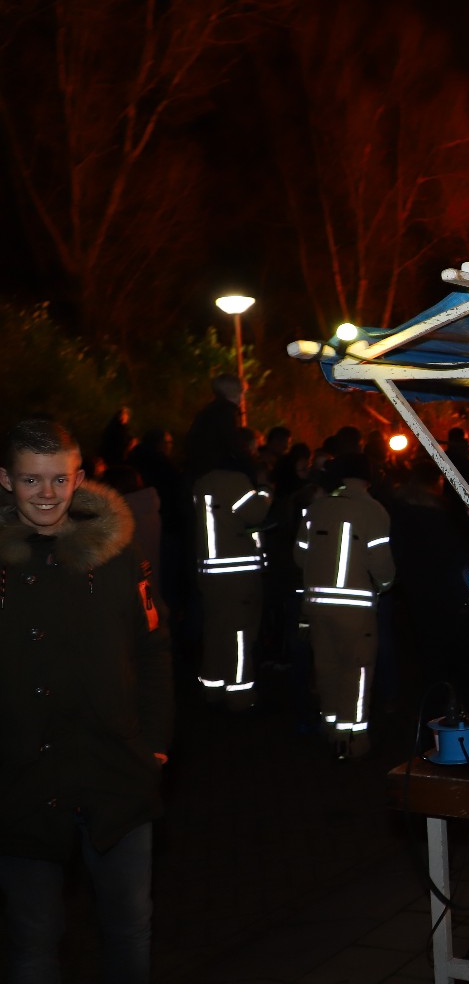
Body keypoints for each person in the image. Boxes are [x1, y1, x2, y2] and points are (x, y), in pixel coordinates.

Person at [0, 419, 173, 984]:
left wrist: (154, 746)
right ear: (6, 480)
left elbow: (153, 650)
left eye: (59, 479)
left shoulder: (117, 552)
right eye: (31, 479)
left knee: (129, 930)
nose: (47, 494)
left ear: (79, 479)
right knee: (33, 944)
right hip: (23, 782)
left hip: (114, 774)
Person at [294, 453, 396, 758]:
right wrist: (384, 585)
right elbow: (381, 564)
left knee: (326, 668)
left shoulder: (316, 508)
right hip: (356, 608)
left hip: (316, 606)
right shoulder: (373, 510)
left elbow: (299, 556)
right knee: (357, 671)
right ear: (367, 479)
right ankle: (353, 739)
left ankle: (331, 729)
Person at [190, 428, 272, 711]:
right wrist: (265, 489)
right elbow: (256, 513)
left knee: (215, 629)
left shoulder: (203, 482)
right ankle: (239, 694)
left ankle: (212, 687)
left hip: (209, 571)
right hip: (237, 572)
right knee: (239, 632)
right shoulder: (235, 482)